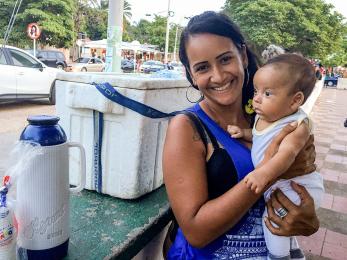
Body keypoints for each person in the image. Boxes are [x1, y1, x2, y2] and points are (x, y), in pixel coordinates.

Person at [163, 11, 319, 260]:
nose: (219, 76)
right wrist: (267, 173)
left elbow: (299, 184)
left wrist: (307, 218)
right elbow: (196, 231)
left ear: (243, 56)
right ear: (191, 75)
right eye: (203, 67)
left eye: (225, 59)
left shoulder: (270, 118)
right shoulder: (187, 127)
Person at [227, 53, 324, 259]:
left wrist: (262, 173)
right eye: (256, 91)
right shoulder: (266, 117)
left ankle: (278, 257)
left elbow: (286, 155)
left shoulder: (296, 126)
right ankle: (295, 253)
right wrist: (243, 133)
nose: (257, 98)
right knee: (282, 218)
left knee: (271, 221)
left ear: (295, 100)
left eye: (268, 93)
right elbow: (260, 138)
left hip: (299, 187)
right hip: (283, 187)